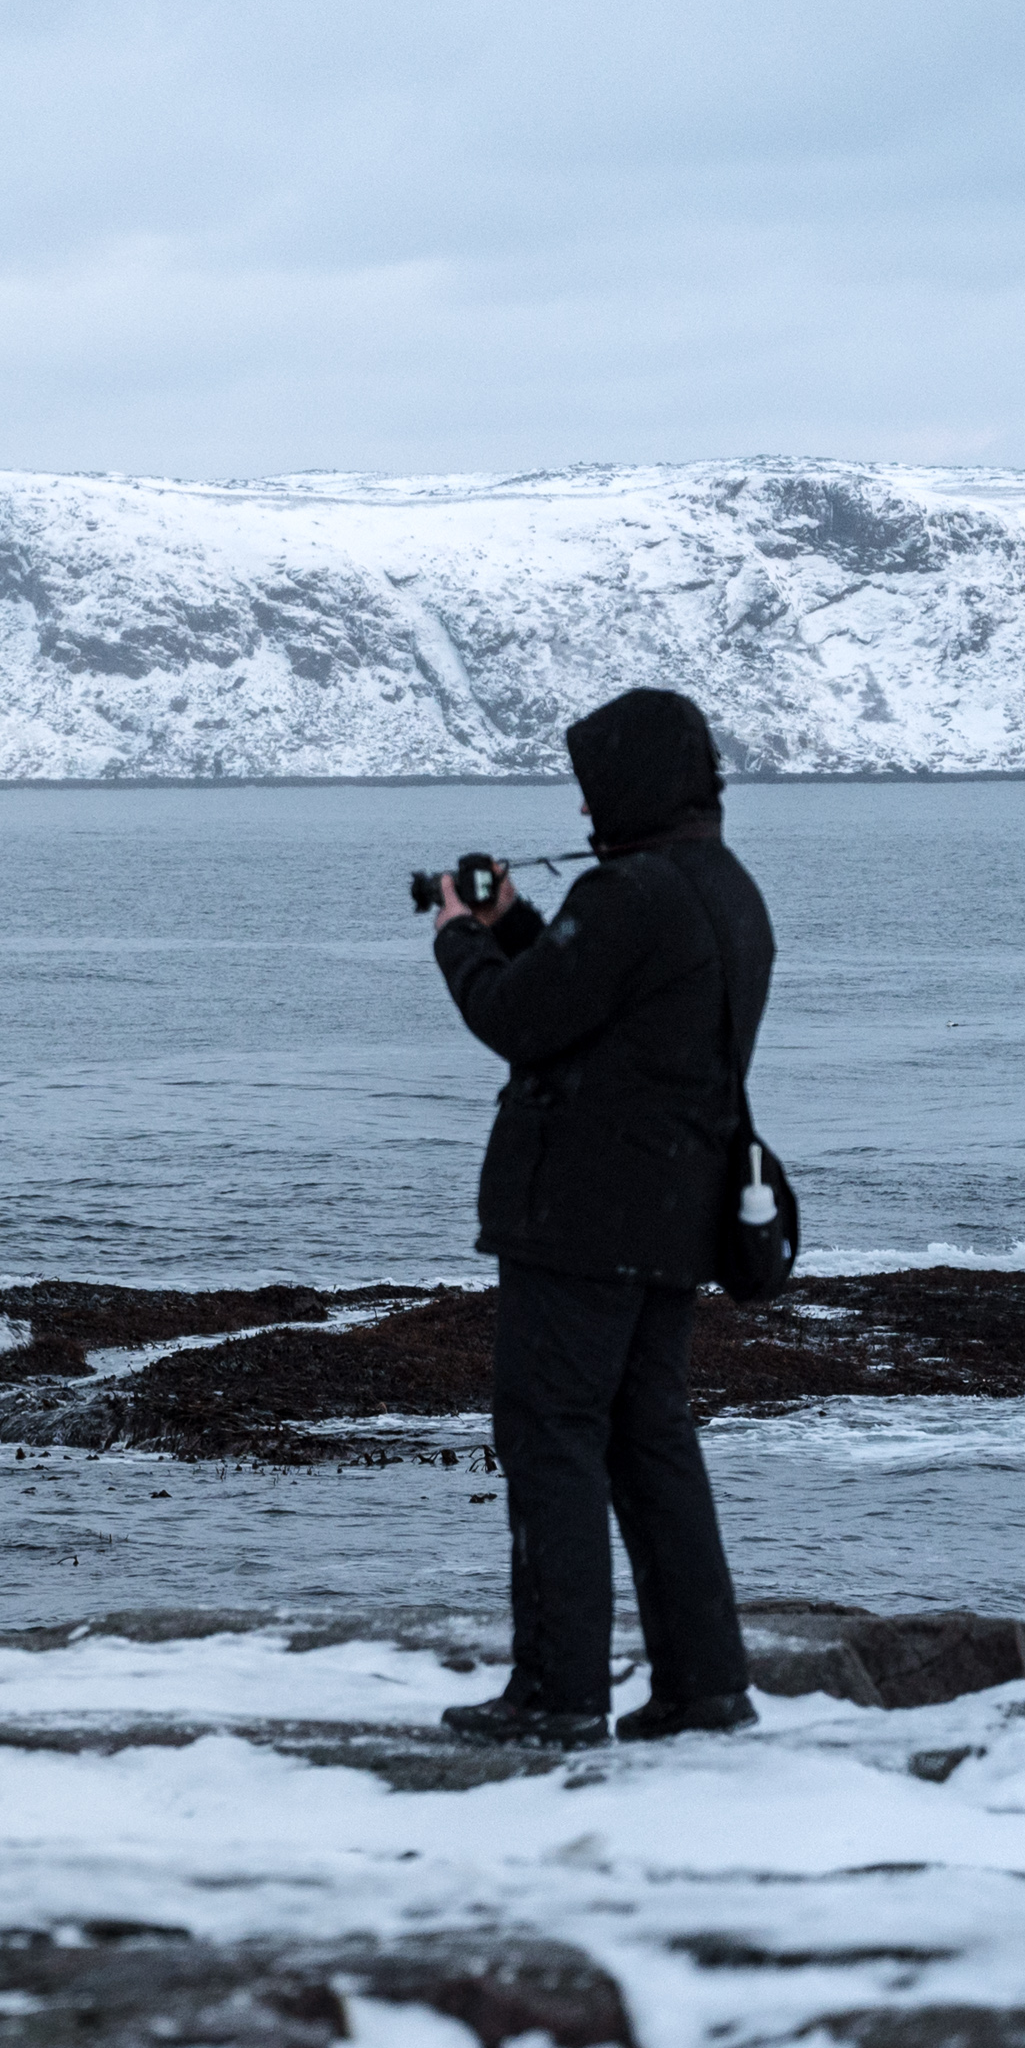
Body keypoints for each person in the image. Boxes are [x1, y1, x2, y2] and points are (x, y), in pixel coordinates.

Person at [421, 687, 772, 1750]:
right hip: (675, 1213)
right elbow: (602, 1004)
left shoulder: (631, 895)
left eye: (593, 788)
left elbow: (522, 1020)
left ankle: (558, 1694)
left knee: (554, 1437)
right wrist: (521, 924)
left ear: (630, 784)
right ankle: (704, 1682)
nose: (584, 813)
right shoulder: (726, 891)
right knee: (649, 1439)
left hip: (578, 1218)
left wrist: (458, 941)